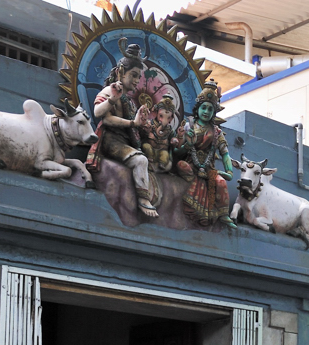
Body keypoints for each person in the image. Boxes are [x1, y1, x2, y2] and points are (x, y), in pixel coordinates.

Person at [86, 40, 159, 218]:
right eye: (133, 75)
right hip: (111, 140)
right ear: (120, 72)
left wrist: (143, 123)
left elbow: (134, 125)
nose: (136, 81)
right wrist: (112, 100)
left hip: (125, 141)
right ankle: (143, 199)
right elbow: (100, 114)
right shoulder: (110, 92)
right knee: (140, 161)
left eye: (138, 77)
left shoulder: (128, 100)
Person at [175, 80, 237, 228]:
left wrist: (229, 171)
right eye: (204, 108)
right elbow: (177, 151)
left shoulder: (216, 132)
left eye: (210, 109)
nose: (206, 112)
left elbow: (225, 154)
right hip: (190, 164)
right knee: (181, 166)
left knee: (221, 182)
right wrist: (187, 144)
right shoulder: (188, 125)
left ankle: (223, 215)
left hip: (209, 169)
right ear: (197, 109)